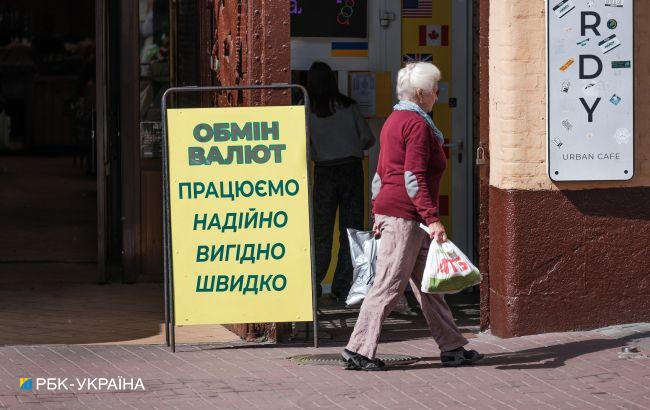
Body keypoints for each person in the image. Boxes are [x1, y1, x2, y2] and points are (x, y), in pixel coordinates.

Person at [342, 62, 483, 370]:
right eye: (435, 89)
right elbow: (413, 176)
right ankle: (358, 350)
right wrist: (432, 218)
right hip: (406, 216)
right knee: (389, 284)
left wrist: (376, 208)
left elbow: (380, 173)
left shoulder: (394, 119)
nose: (438, 94)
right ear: (421, 93)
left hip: (397, 212)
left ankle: (453, 348)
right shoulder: (417, 125)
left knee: (430, 286)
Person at [306, 62, 376, 301]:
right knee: (351, 231)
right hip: (351, 170)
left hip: (324, 172)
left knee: (321, 232)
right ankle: (343, 287)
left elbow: (303, 146)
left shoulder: (307, 110)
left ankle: (314, 285)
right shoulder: (349, 106)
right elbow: (368, 139)